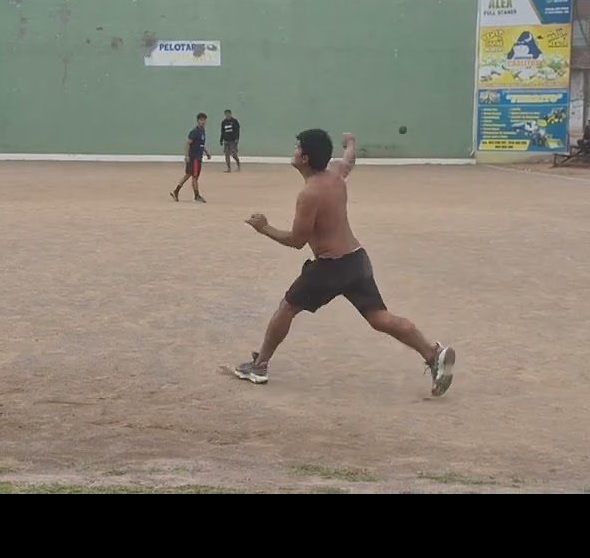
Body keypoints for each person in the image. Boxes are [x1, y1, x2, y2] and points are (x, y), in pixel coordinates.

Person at [230, 130, 458, 396]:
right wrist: (350, 143)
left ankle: (259, 366)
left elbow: (296, 240)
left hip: (331, 266)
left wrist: (264, 227)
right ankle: (433, 354)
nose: (293, 150)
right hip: (357, 260)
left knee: (287, 307)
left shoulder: (310, 194)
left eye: (296, 148)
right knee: (380, 318)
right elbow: (348, 160)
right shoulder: (336, 175)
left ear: (304, 158)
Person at [170, 112, 210, 203]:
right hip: (194, 158)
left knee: (188, 175)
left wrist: (206, 152)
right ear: (197, 121)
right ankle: (196, 196)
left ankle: (176, 191)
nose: (203, 122)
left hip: (198, 157)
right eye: (201, 120)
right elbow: (188, 143)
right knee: (195, 177)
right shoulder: (194, 132)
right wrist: (186, 156)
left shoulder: (202, 131)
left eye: (204, 120)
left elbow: (201, 144)